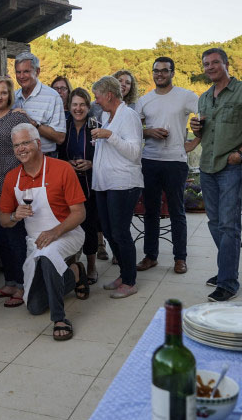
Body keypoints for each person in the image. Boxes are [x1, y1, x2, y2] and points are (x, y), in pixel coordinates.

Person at [0, 123, 86, 341]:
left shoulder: (61, 169)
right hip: (35, 242)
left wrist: (55, 232)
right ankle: (74, 273)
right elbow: (3, 220)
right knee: (35, 306)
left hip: (68, 233)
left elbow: (79, 213)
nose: (21, 148)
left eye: (26, 142)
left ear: (38, 143)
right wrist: (13, 216)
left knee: (48, 256)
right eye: (17, 145)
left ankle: (59, 318)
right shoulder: (12, 178)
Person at [135, 57, 198, 276]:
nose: (159, 74)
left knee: (177, 211)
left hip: (175, 162)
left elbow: (205, 118)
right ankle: (151, 256)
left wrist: (195, 142)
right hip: (150, 160)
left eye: (164, 70)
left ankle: (180, 258)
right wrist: (148, 132)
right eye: (156, 70)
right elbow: (132, 128)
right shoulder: (144, 100)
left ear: (172, 72)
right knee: (151, 211)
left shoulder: (186, 96)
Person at [191, 48, 242, 302]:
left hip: (231, 166)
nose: (209, 67)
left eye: (214, 63)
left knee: (228, 225)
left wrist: (240, 154)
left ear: (226, 63)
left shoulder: (241, 92)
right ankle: (227, 267)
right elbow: (202, 133)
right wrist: (195, 128)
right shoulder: (204, 98)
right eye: (205, 64)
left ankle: (228, 282)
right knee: (214, 223)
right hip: (207, 167)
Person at [91, 75, 143, 299]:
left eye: (98, 97)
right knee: (110, 231)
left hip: (123, 183)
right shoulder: (105, 115)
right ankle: (123, 273)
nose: (96, 101)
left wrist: (109, 135)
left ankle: (130, 281)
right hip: (104, 183)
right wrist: (100, 140)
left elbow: (134, 152)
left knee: (121, 233)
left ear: (109, 95)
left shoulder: (129, 116)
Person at [0, 76, 31, 307]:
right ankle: (10, 281)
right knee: (1, 238)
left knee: (15, 238)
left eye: (3, 93)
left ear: (9, 96)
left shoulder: (16, 119)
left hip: (12, 187)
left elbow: (28, 150)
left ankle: (23, 285)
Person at [57, 88, 99, 283]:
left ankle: (91, 266)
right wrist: (66, 165)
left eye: (82, 104)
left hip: (90, 183)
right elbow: (57, 154)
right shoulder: (62, 125)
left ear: (88, 106)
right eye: (75, 104)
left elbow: (105, 154)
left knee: (89, 225)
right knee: (70, 225)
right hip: (68, 184)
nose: (78, 108)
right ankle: (72, 264)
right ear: (69, 106)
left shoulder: (95, 125)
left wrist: (91, 163)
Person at [13, 52, 66, 156]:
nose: (21, 76)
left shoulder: (52, 97)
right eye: (18, 72)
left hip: (45, 157)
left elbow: (60, 138)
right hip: (18, 158)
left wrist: (33, 123)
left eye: (26, 71)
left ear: (37, 72)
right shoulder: (13, 96)